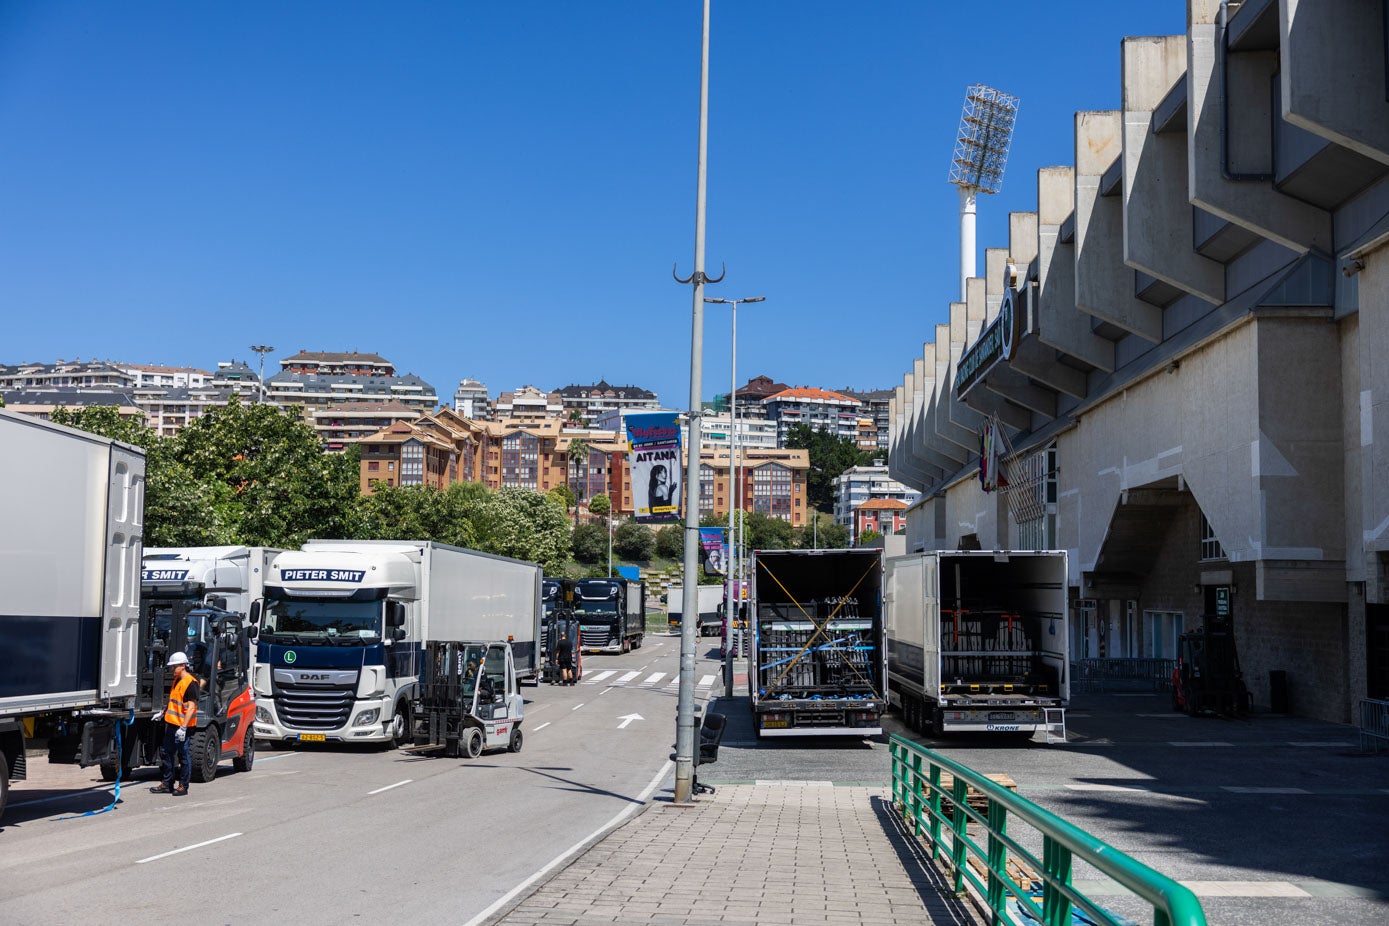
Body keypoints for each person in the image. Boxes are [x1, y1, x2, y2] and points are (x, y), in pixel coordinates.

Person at [150, 651, 199, 797]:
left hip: (183, 727)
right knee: (166, 753)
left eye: (174, 666)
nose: (172, 669)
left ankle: (183, 786)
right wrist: (163, 712)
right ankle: (167, 783)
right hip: (172, 724)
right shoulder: (177, 679)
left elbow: (191, 707)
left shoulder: (191, 683)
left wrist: (183, 727)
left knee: (183, 756)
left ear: (183, 666)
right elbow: (173, 701)